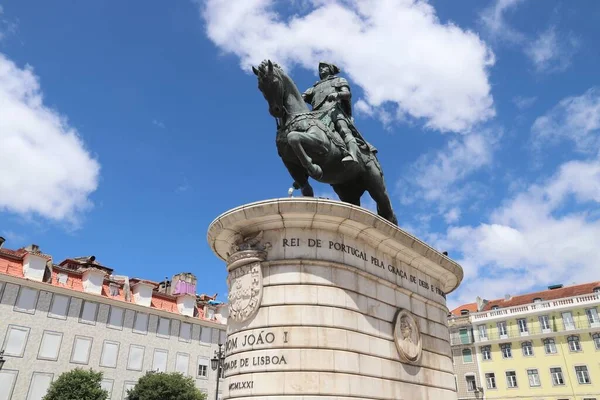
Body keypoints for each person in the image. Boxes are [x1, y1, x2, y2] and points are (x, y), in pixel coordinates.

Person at [302, 62, 362, 166]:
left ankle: (353, 154)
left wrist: (337, 94)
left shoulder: (339, 80)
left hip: (334, 110)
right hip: (316, 114)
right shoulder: (314, 87)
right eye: (320, 68)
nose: (321, 69)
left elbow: (347, 94)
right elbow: (300, 98)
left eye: (324, 67)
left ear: (330, 69)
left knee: (343, 129)